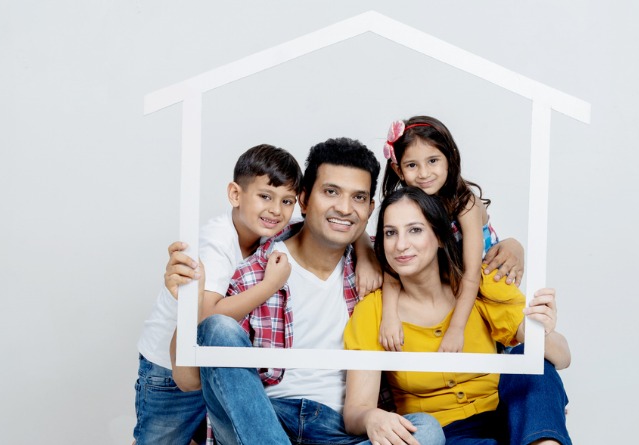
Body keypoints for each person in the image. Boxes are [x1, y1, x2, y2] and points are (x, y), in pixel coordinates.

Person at [171, 138, 445, 445]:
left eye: (358, 198)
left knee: (427, 431)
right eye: (331, 192)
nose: (344, 208)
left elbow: (447, 249)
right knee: (217, 327)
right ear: (303, 199)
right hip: (262, 419)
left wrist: (509, 248)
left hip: (339, 430)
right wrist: (189, 304)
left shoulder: (386, 263)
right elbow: (188, 380)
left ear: (370, 209)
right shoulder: (255, 271)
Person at [343, 187, 572, 445]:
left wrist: (542, 329)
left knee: (529, 359)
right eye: (390, 233)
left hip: (513, 420)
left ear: (440, 236)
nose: (401, 245)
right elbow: (355, 412)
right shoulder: (374, 310)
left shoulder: (481, 287)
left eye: (415, 230)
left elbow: (562, 357)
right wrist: (372, 418)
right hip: (445, 433)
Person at [134, 144, 303, 445]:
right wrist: (268, 287)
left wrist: (367, 252)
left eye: (287, 201)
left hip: (209, 364)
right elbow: (207, 317)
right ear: (236, 195)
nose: (277, 210)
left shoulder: (267, 230)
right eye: (265, 196)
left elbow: (313, 228)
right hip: (166, 367)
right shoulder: (217, 241)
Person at [375, 116, 521, 354]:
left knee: (506, 342)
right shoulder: (406, 206)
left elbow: (472, 274)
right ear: (398, 170)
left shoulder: (465, 204)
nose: (423, 173)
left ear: (449, 160)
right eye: (412, 165)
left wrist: (456, 330)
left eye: (433, 160)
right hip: (449, 285)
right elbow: (393, 266)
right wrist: (389, 316)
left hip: (484, 281)